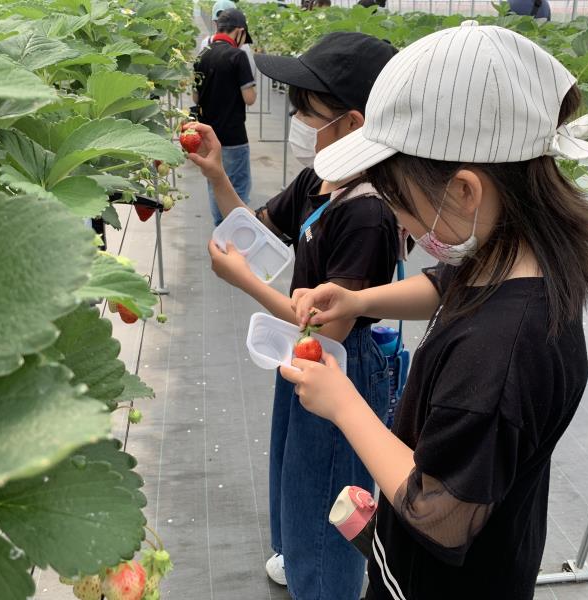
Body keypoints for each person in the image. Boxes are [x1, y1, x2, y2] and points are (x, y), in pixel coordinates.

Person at [282, 21, 588, 600]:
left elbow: (440, 513)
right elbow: (445, 283)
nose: (399, 220)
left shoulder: (499, 355)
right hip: (495, 558)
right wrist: (360, 298)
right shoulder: (517, 258)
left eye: (398, 200)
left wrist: (345, 405)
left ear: (463, 190)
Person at [186, 32, 399, 600]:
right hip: (303, 356)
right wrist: (216, 176)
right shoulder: (321, 177)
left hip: (341, 363)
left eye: (309, 109)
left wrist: (248, 284)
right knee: (294, 471)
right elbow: (259, 232)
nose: (298, 116)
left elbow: (328, 326)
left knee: (328, 487)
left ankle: (326, 583)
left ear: (352, 122)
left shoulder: (368, 212)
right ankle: (300, 560)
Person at [193, 8, 257, 226]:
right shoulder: (237, 56)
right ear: (239, 31)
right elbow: (249, 98)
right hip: (233, 135)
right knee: (237, 190)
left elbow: (195, 96)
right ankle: (235, 238)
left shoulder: (202, 54)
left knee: (215, 184)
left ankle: (220, 232)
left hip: (208, 137)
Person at [200, 0, 257, 79]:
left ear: (214, 21)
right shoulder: (242, 45)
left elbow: (199, 74)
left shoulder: (206, 42)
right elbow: (251, 73)